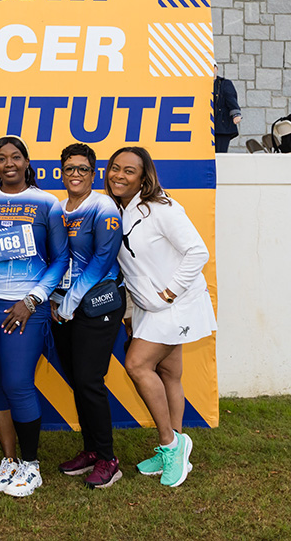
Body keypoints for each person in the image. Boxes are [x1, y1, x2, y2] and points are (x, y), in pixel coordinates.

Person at [0, 135, 69, 498]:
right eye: (2, 158)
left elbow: (60, 260)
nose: (9, 163)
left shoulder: (47, 203)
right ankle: (8, 461)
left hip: (26, 307)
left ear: (26, 162)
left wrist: (33, 299)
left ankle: (31, 465)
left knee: (19, 383)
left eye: (16, 157)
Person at [105, 146, 216, 488]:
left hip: (176, 303)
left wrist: (170, 292)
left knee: (138, 365)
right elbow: (132, 268)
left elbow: (197, 251)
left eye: (128, 171)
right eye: (114, 168)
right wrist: (132, 310)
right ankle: (177, 441)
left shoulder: (162, 208)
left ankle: (171, 444)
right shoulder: (117, 209)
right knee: (169, 372)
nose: (119, 175)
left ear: (143, 177)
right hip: (147, 308)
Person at [49, 143, 126, 489]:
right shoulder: (58, 208)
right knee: (78, 380)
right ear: (61, 172)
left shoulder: (103, 206)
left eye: (82, 168)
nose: (75, 174)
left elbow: (103, 259)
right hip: (64, 308)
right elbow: (58, 259)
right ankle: (91, 451)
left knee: (90, 381)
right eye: (69, 168)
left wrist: (72, 299)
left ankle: (109, 458)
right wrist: (55, 298)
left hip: (97, 304)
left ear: (92, 174)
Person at [213, 63, 242, 153]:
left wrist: (236, 114)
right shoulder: (201, 84)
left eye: (212, 67)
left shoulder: (224, 83)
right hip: (205, 126)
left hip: (221, 125)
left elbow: (231, 99)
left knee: (220, 154)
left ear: (216, 69)